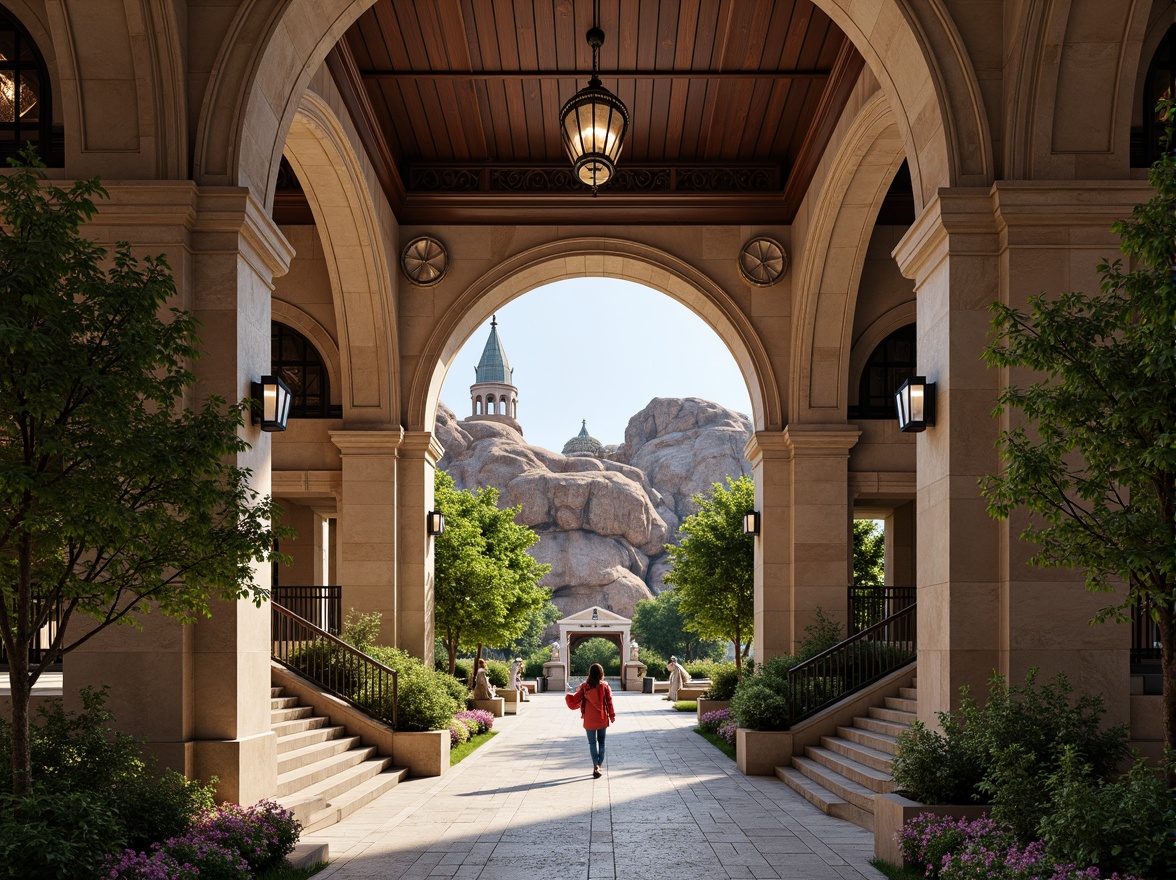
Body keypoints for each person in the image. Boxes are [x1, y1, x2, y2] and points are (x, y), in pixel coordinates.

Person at [565, 662, 615, 778]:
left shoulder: (584, 687)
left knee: (592, 743)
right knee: (601, 743)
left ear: (590, 673)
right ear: (601, 673)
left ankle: (595, 765)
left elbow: (575, 699)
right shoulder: (605, 687)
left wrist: (568, 696)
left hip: (589, 719)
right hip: (602, 718)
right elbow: (609, 703)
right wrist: (611, 716)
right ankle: (598, 766)